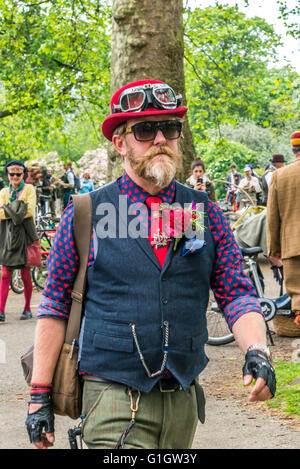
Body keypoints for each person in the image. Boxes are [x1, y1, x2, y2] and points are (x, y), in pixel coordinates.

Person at [26, 79, 275, 450]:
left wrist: (257, 350)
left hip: (183, 400)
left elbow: (236, 293)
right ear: (120, 143)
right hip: (110, 394)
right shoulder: (87, 212)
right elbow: (55, 304)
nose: (160, 138)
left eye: (170, 128)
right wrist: (39, 396)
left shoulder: (201, 210)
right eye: (144, 129)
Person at [267, 130, 300, 327]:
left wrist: (273, 250)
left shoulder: (280, 175)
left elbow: (272, 218)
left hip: (293, 248)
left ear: (293, 149)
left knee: (298, 300)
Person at [0, 160, 38, 321]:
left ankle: (27, 308)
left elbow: (29, 211)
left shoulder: (29, 189)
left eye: (18, 174)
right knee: (5, 274)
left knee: (25, 274)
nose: (15, 177)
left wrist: (7, 208)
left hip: (26, 236)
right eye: (12, 174)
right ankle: (0, 311)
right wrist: (18, 208)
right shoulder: (3, 191)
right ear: (8, 175)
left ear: (23, 175)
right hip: (8, 236)